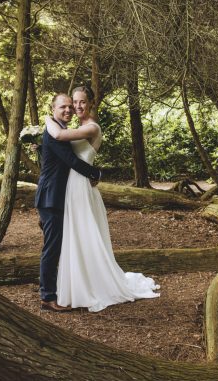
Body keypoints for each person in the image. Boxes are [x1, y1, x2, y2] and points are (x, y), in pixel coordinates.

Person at [45, 86, 160, 312]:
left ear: (91, 103)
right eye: (74, 102)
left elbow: (58, 135)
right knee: (76, 235)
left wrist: (48, 120)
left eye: (82, 102)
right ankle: (79, 283)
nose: (77, 106)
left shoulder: (91, 127)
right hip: (72, 187)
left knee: (84, 234)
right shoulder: (78, 126)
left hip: (81, 187)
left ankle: (91, 285)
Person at [35, 93, 102, 312]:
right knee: (52, 248)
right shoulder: (55, 132)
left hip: (56, 196)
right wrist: (96, 173)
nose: (68, 110)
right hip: (51, 197)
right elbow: (72, 161)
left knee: (55, 246)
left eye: (69, 107)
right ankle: (47, 297)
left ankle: (56, 290)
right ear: (53, 109)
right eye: (63, 106)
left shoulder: (57, 129)